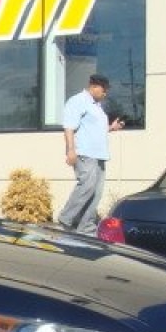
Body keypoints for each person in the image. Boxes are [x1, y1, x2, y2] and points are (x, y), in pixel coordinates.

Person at [58, 73, 124, 235]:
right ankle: (66, 218)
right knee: (87, 185)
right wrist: (71, 150)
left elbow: (94, 130)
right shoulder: (78, 101)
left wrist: (111, 128)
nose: (105, 93)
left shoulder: (97, 106)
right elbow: (69, 127)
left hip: (99, 155)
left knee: (96, 192)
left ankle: (85, 227)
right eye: (104, 90)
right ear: (94, 86)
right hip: (84, 153)